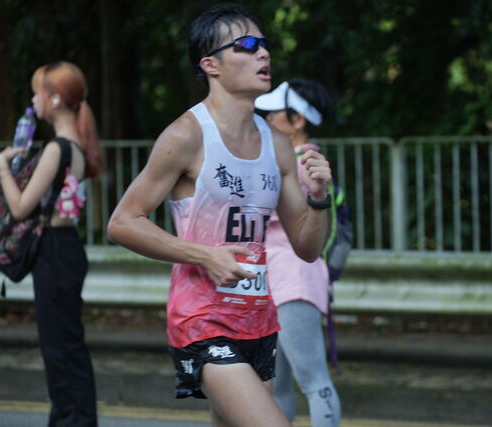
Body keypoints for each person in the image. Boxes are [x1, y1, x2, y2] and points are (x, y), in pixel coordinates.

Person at [106, 4, 332, 427]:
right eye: (246, 45)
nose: (262, 53)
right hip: (203, 320)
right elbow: (123, 222)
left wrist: (319, 198)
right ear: (210, 65)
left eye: (264, 44)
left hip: (258, 320)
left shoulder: (278, 143)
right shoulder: (186, 135)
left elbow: (307, 247)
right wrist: (205, 255)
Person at [0, 61, 103, 426]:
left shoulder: (57, 148)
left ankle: (71, 420)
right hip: (64, 248)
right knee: (67, 347)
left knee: (59, 349)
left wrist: (3, 165)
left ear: (56, 98)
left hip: (55, 252)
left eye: (38, 93)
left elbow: (20, 208)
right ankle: (73, 418)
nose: (33, 100)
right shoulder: (73, 147)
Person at [255, 79, 342, 426]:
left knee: (313, 380)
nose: (268, 117)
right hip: (273, 280)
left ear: (298, 120)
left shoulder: (305, 164)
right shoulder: (287, 161)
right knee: (276, 385)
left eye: (275, 112)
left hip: (295, 280)